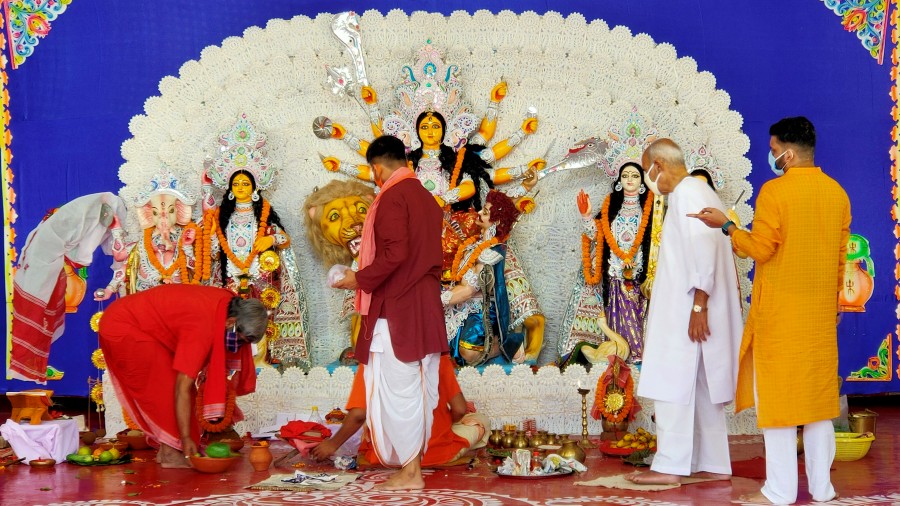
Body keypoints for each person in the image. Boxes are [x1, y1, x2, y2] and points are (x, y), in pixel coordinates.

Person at [690, 117, 848, 504]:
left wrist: (727, 227)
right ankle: (822, 490)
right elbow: (840, 261)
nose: (773, 156)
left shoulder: (775, 192)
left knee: (778, 403)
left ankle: (779, 492)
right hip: (820, 317)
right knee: (817, 405)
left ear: (789, 153)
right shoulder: (837, 194)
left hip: (780, 315)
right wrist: (833, 305)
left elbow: (761, 248)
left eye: (775, 150)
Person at [333, 134, 449, 490]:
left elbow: (395, 255)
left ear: (376, 168)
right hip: (425, 305)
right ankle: (411, 467)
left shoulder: (391, 197)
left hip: (398, 308)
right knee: (418, 388)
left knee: (401, 392)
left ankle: (411, 472)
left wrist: (358, 278)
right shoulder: (428, 199)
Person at [626, 139, 743, 485]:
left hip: (689, 307)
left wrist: (698, 305)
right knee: (702, 383)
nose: (649, 179)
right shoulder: (698, 191)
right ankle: (711, 462)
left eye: (648, 170)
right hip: (697, 305)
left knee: (672, 381)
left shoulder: (686, 194)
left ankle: (669, 466)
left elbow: (703, 249)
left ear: (659, 165)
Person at [98, 284, 268, 468]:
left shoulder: (229, 304)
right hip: (124, 326)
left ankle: (168, 450)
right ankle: (172, 452)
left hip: (137, 324)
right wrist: (185, 437)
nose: (238, 347)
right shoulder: (204, 326)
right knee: (168, 388)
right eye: (240, 340)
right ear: (230, 323)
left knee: (176, 389)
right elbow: (181, 388)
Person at [10, 192, 128, 383]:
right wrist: (115, 230)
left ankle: (30, 366)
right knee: (34, 309)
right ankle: (27, 367)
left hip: (39, 261)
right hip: (40, 262)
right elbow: (117, 255)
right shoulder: (94, 212)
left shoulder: (85, 210)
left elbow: (119, 256)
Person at [311, 354, 489, 465]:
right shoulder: (437, 358)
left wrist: (332, 444)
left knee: (372, 424)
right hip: (434, 453)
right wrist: (440, 424)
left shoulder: (371, 361)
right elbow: (459, 410)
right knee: (480, 420)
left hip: (383, 456)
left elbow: (358, 414)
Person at [561, 161, 654, 363]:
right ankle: (619, 360)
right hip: (615, 273)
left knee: (639, 319)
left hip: (641, 275)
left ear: (643, 182)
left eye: (635, 176)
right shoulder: (611, 207)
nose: (630, 179)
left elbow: (657, 238)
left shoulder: (652, 209)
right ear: (619, 181)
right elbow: (596, 235)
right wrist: (586, 216)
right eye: (626, 175)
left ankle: (638, 358)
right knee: (617, 319)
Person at [443, 190, 527, 366]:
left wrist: (440, 299)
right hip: (459, 303)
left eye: (486, 212)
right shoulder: (472, 244)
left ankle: (504, 345)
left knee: (467, 353)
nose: (479, 213)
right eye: (483, 209)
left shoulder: (492, 251)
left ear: (495, 221)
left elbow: (467, 290)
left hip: (481, 309)